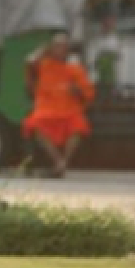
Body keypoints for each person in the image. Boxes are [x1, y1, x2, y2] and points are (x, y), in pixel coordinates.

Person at [23, 32, 95, 178]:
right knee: (34, 124)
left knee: (79, 126)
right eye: (56, 46)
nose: (60, 50)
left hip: (69, 110)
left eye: (63, 47)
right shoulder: (44, 64)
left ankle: (63, 163)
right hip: (46, 109)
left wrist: (77, 91)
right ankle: (59, 161)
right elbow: (29, 61)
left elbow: (88, 92)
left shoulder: (75, 68)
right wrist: (44, 50)